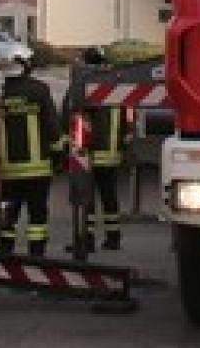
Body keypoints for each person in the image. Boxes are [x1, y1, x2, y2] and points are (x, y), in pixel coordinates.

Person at [0, 57, 63, 257]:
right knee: (37, 217)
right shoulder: (39, 90)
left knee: (8, 216)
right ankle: (36, 256)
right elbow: (52, 126)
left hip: (7, 171)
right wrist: (59, 156)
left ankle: (5, 255)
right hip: (38, 170)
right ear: (25, 69)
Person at [68, 46, 128, 251]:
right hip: (112, 153)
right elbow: (126, 117)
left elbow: (73, 112)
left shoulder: (86, 83)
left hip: (92, 153)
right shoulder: (116, 84)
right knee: (110, 196)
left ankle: (87, 239)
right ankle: (113, 238)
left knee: (88, 198)